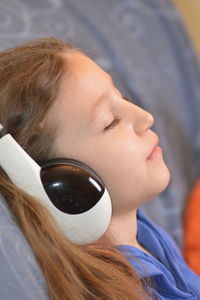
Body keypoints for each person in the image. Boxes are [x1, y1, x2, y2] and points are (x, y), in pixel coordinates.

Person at [0, 37, 199, 300]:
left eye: (123, 97)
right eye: (111, 122)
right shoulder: (120, 289)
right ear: (57, 181)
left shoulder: (144, 232)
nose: (145, 117)